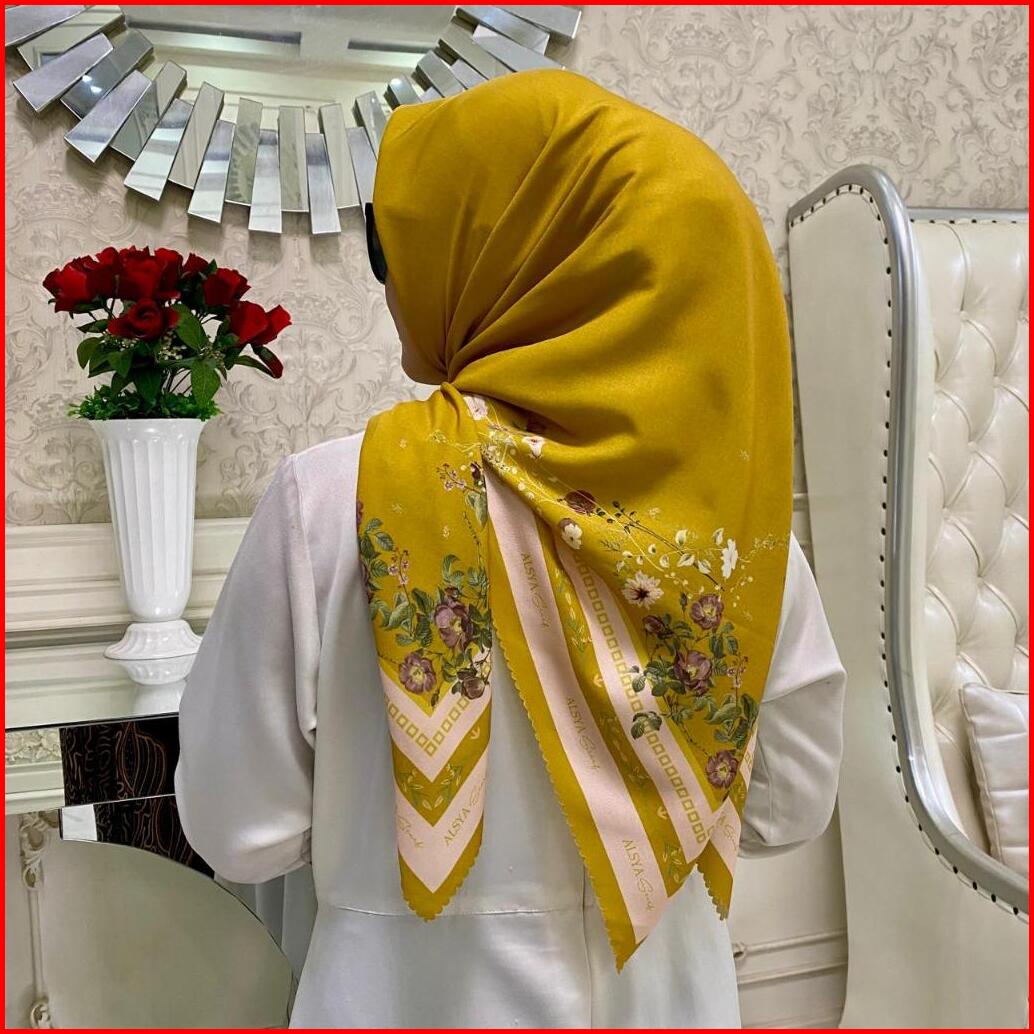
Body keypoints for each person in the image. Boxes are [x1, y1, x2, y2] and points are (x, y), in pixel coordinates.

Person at [174, 69, 846, 1028]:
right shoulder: (735, 532)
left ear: (499, 258)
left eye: (407, 250)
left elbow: (240, 829)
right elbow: (789, 806)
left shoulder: (327, 502)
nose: (395, 286)